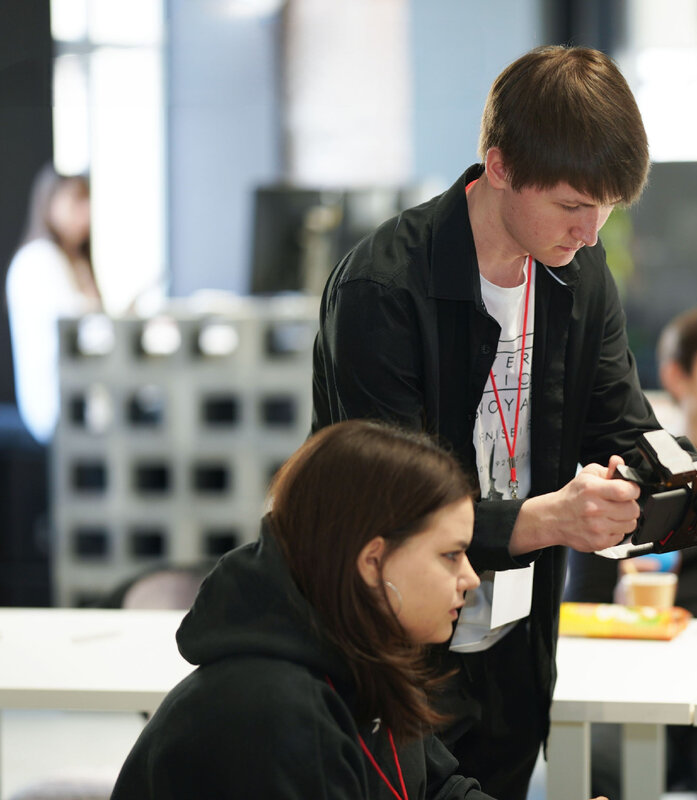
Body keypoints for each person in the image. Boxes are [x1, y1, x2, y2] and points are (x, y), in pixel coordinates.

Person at [310, 46, 697, 798]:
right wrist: (545, 520)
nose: (591, 231)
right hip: (388, 641)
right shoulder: (384, 288)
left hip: (516, 639)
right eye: (573, 205)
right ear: (499, 166)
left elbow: (623, 428)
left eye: (606, 208)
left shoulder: (577, 271)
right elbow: (389, 505)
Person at [112, 419, 495, 798]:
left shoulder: (365, 654)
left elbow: (439, 789)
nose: (471, 578)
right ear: (372, 562)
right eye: (451, 555)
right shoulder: (277, 714)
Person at [565, 304, 697, 800]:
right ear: (677, 376)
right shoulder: (636, 478)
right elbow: (583, 606)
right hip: (634, 670)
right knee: (596, 765)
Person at [6, 166, 101, 443]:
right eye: (75, 201)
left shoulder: (73, 260)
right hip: (55, 405)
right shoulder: (40, 260)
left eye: (87, 201)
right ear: (48, 204)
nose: (85, 212)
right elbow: (80, 330)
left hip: (77, 396)